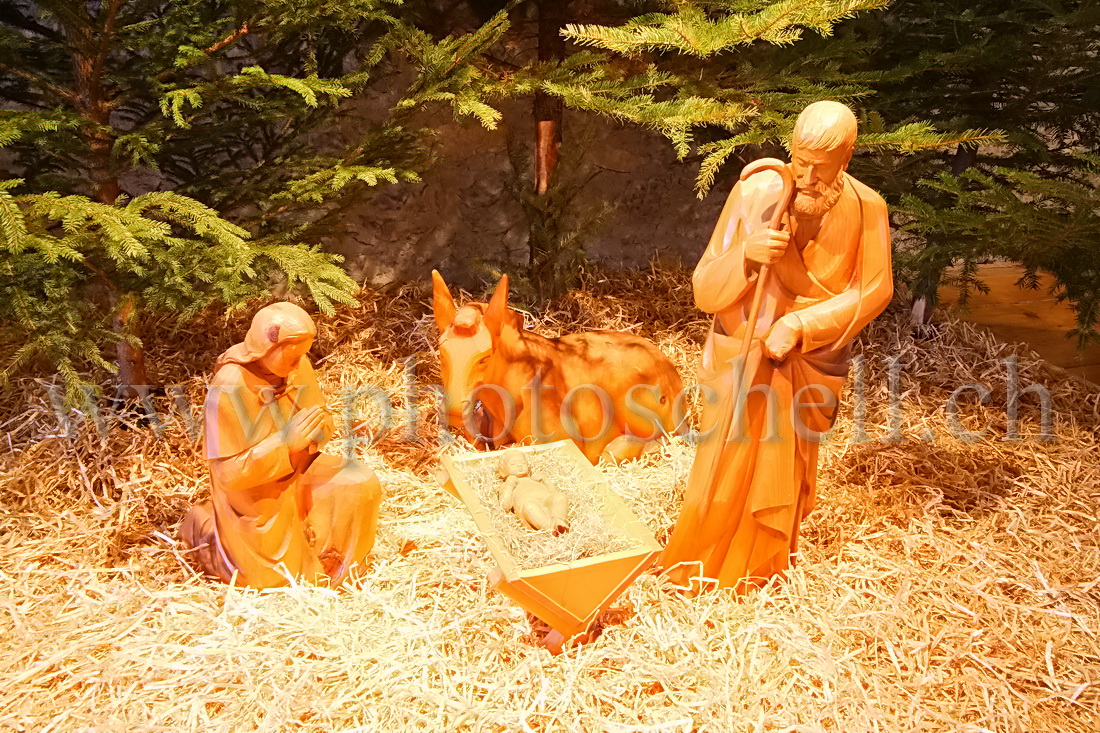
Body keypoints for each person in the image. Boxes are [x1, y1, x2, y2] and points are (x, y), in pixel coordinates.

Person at [660, 101, 893, 592]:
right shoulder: (757, 192)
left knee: (785, 472)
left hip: (807, 362)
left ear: (846, 161)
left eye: (820, 169)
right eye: (800, 161)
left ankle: (761, 568)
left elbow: (874, 290)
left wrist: (803, 325)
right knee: (722, 471)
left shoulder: (868, 207)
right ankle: (701, 564)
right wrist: (745, 257)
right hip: (741, 360)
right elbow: (704, 288)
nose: (805, 177)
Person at [180, 302, 382, 588]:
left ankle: (340, 571)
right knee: (274, 577)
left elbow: (321, 419)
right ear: (266, 348)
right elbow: (228, 475)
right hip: (255, 492)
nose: (299, 362)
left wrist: (316, 430)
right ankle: (203, 527)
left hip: (299, 468)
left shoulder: (298, 368)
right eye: (292, 354)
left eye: (304, 354)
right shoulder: (229, 386)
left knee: (360, 484)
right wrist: (284, 443)